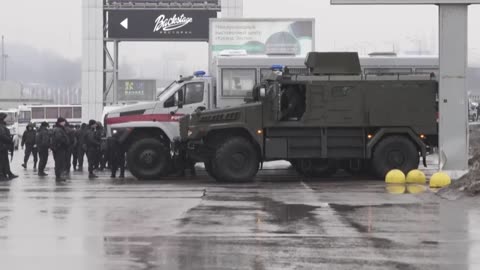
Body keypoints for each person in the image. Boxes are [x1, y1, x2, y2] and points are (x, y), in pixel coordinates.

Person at [0, 113, 17, 180]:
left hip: (3, 146)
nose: (6, 120)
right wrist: (10, 139)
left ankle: (7, 173)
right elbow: (2, 136)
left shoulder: (2, 126)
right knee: (2, 161)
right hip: (2, 146)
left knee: (5, 161)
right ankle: (2, 175)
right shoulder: (1, 127)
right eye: (4, 118)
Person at [52, 117, 69, 182]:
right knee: (59, 163)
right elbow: (59, 138)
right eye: (63, 121)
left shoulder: (58, 129)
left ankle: (59, 176)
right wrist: (64, 142)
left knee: (59, 163)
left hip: (58, 148)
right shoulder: (59, 129)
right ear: (60, 122)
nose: (64, 123)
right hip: (59, 148)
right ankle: (58, 177)